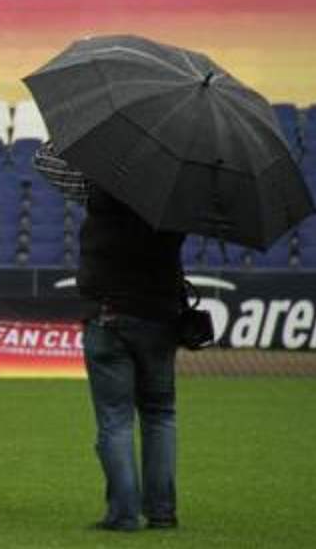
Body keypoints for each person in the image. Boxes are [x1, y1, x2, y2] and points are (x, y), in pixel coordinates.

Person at [34, 140, 185, 532]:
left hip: (109, 313)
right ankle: (163, 512)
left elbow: (45, 161)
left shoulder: (101, 184)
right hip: (160, 314)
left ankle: (122, 514)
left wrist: (81, 135)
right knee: (160, 415)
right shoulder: (180, 194)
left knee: (115, 420)